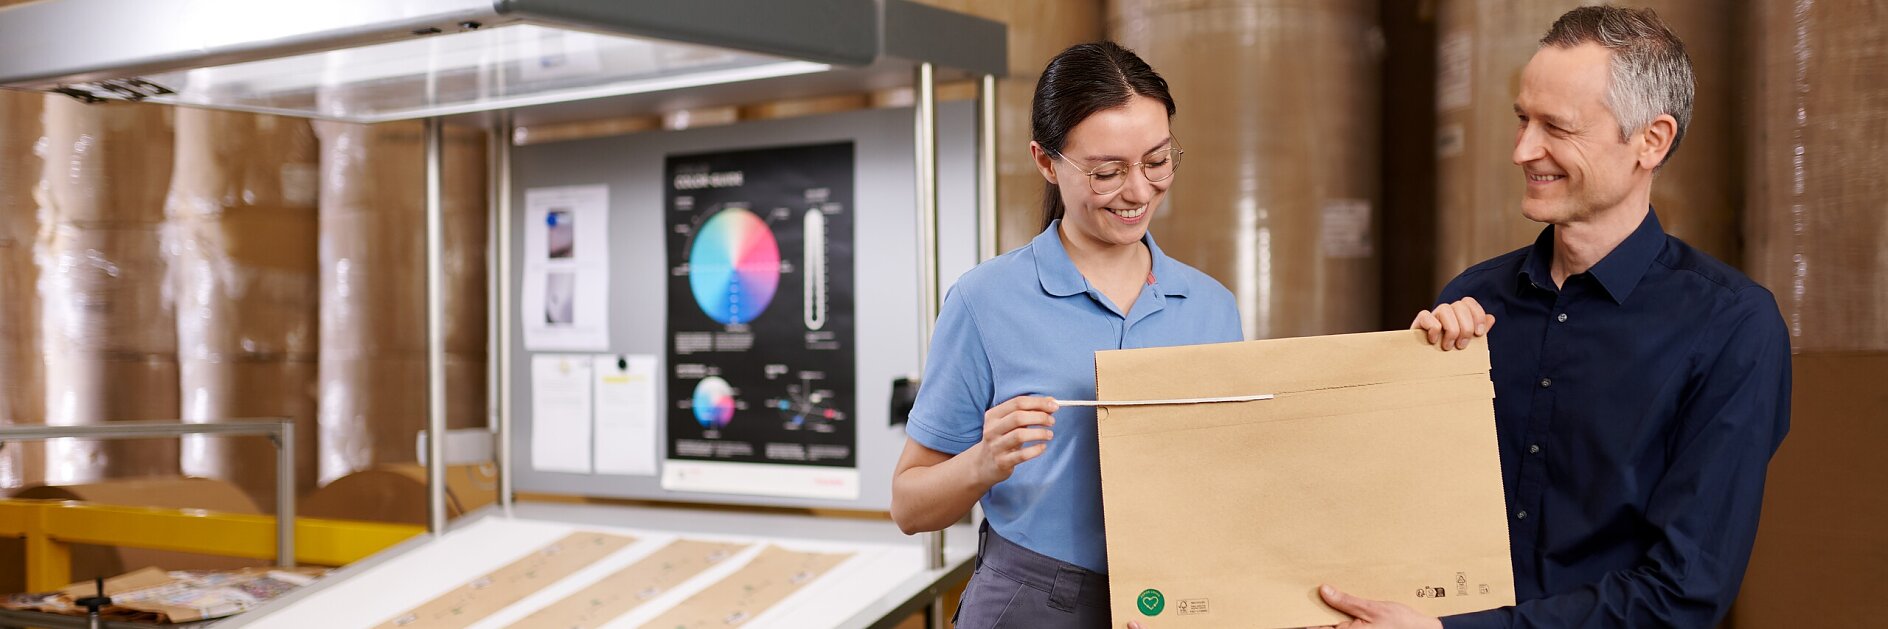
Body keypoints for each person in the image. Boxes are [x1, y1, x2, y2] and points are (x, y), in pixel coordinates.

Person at [1316, 6, 1791, 628]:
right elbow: (1400, 511)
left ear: (1652, 140)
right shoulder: (1472, 301)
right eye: (1521, 119)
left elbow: (1683, 593)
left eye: (1556, 128)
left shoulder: (1733, 328)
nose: (1521, 150)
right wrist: (1412, 387)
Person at [889, 41, 1242, 628]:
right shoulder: (985, 301)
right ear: (1046, 162)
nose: (1137, 191)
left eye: (1157, 161)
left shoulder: (1211, 307)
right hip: (1032, 599)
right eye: (1107, 172)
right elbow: (908, 505)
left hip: (1175, 598)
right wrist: (984, 462)